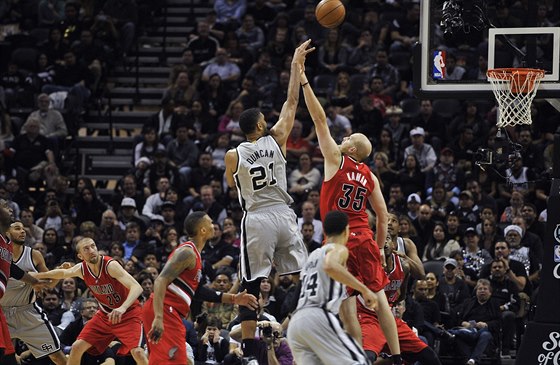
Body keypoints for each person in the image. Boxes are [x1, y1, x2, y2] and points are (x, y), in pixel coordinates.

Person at [299, 51, 402, 363]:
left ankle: (355, 357)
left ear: (352, 149)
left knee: (346, 306)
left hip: (339, 243)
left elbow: (318, 118)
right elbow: (382, 215)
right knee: (380, 298)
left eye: (347, 138)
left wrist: (303, 79)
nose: (342, 138)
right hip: (366, 238)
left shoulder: (336, 159)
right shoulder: (370, 175)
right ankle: (395, 357)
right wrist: (381, 248)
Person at [223, 40, 313, 360]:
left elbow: (229, 185)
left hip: (258, 217)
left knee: (251, 283)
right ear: (261, 125)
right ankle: (308, 322)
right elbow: (291, 100)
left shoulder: (233, 154)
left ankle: (248, 349)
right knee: (303, 273)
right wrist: (294, 66)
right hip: (284, 213)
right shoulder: (276, 140)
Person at [144, 211, 257, 365]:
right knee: (174, 361)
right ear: (203, 230)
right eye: (210, 223)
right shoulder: (187, 252)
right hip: (164, 310)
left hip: (168, 311)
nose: (214, 226)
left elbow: (199, 291)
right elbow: (160, 280)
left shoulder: (195, 255)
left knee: (162, 361)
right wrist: (158, 317)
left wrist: (234, 298)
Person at [33, 237, 149, 365]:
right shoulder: (82, 269)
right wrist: (37, 275)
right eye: (86, 249)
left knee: (138, 353)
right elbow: (63, 273)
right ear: (80, 255)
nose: (92, 250)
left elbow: (137, 287)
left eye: (93, 246)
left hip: (128, 313)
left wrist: (122, 308)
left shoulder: (110, 265)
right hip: (105, 315)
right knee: (77, 347)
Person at [287, 211, 376, 365]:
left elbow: (295, 297)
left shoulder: (312, 256)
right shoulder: (338, 249)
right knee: (360, 362)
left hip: (296, 324)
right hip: (318, 316)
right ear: (346, 230)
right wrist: (364, 289)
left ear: (325, 232)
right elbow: (330, 265)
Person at [0, 221, 67, 365]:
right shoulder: (2, 254)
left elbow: (48, 286)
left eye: (23, 229)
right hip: (2, 313)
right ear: (6, 232)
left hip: (28, 312)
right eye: (17, 228)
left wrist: (60, 273)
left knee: (57, 356)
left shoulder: (34, 255)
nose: (23, 231)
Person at [0, 200, 47, 365]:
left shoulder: (5, 243)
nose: (11, 211)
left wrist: (34, 281)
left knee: (8, 358)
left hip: (7, 309)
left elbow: (12, 269)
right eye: (6, 208)